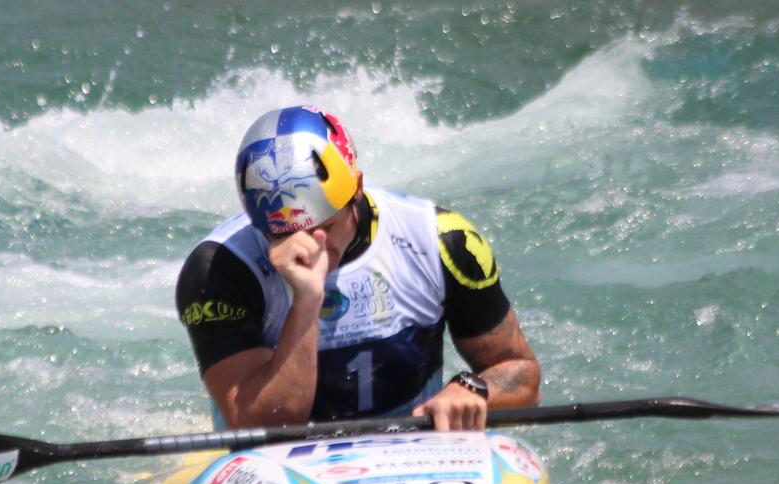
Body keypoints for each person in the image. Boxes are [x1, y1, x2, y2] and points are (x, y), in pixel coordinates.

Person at [175, 105, 540, 431]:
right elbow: (264, 426)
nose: (310, 247)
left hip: (418, 451)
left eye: (324, 228)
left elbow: (523, 377)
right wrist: (306, 300)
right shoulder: (218, 271)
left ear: (358, 190)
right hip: (281, 461)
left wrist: (474, 390)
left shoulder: (441, 240)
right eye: (284, 236)